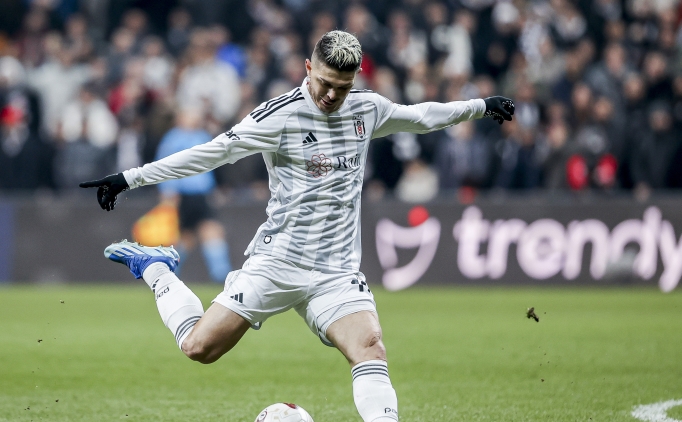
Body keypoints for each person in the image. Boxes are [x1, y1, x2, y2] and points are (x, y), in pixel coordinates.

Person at [80, 30, 514, 422]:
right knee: (199, 348)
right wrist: (130, 178)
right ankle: (156, 268)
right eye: (324, 83)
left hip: (336, 271)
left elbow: (423, 116)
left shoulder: (367, 109)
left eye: (342, 86)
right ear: (308, 68)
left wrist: (480, 106)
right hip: (278, 261)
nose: (331, 95)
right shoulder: (278, 116)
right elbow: (211, 153)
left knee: (370, 347)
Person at [154, 108, 232, 282]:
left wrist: (215, 188)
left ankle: (221, 274)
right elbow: (163, 166)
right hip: (182, 195)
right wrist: (167, 190)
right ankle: (166, 271)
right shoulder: (172, 139)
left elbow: (212, 164)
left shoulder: (203, 136)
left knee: (211, 230)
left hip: (202, 194)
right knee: (185, 237)